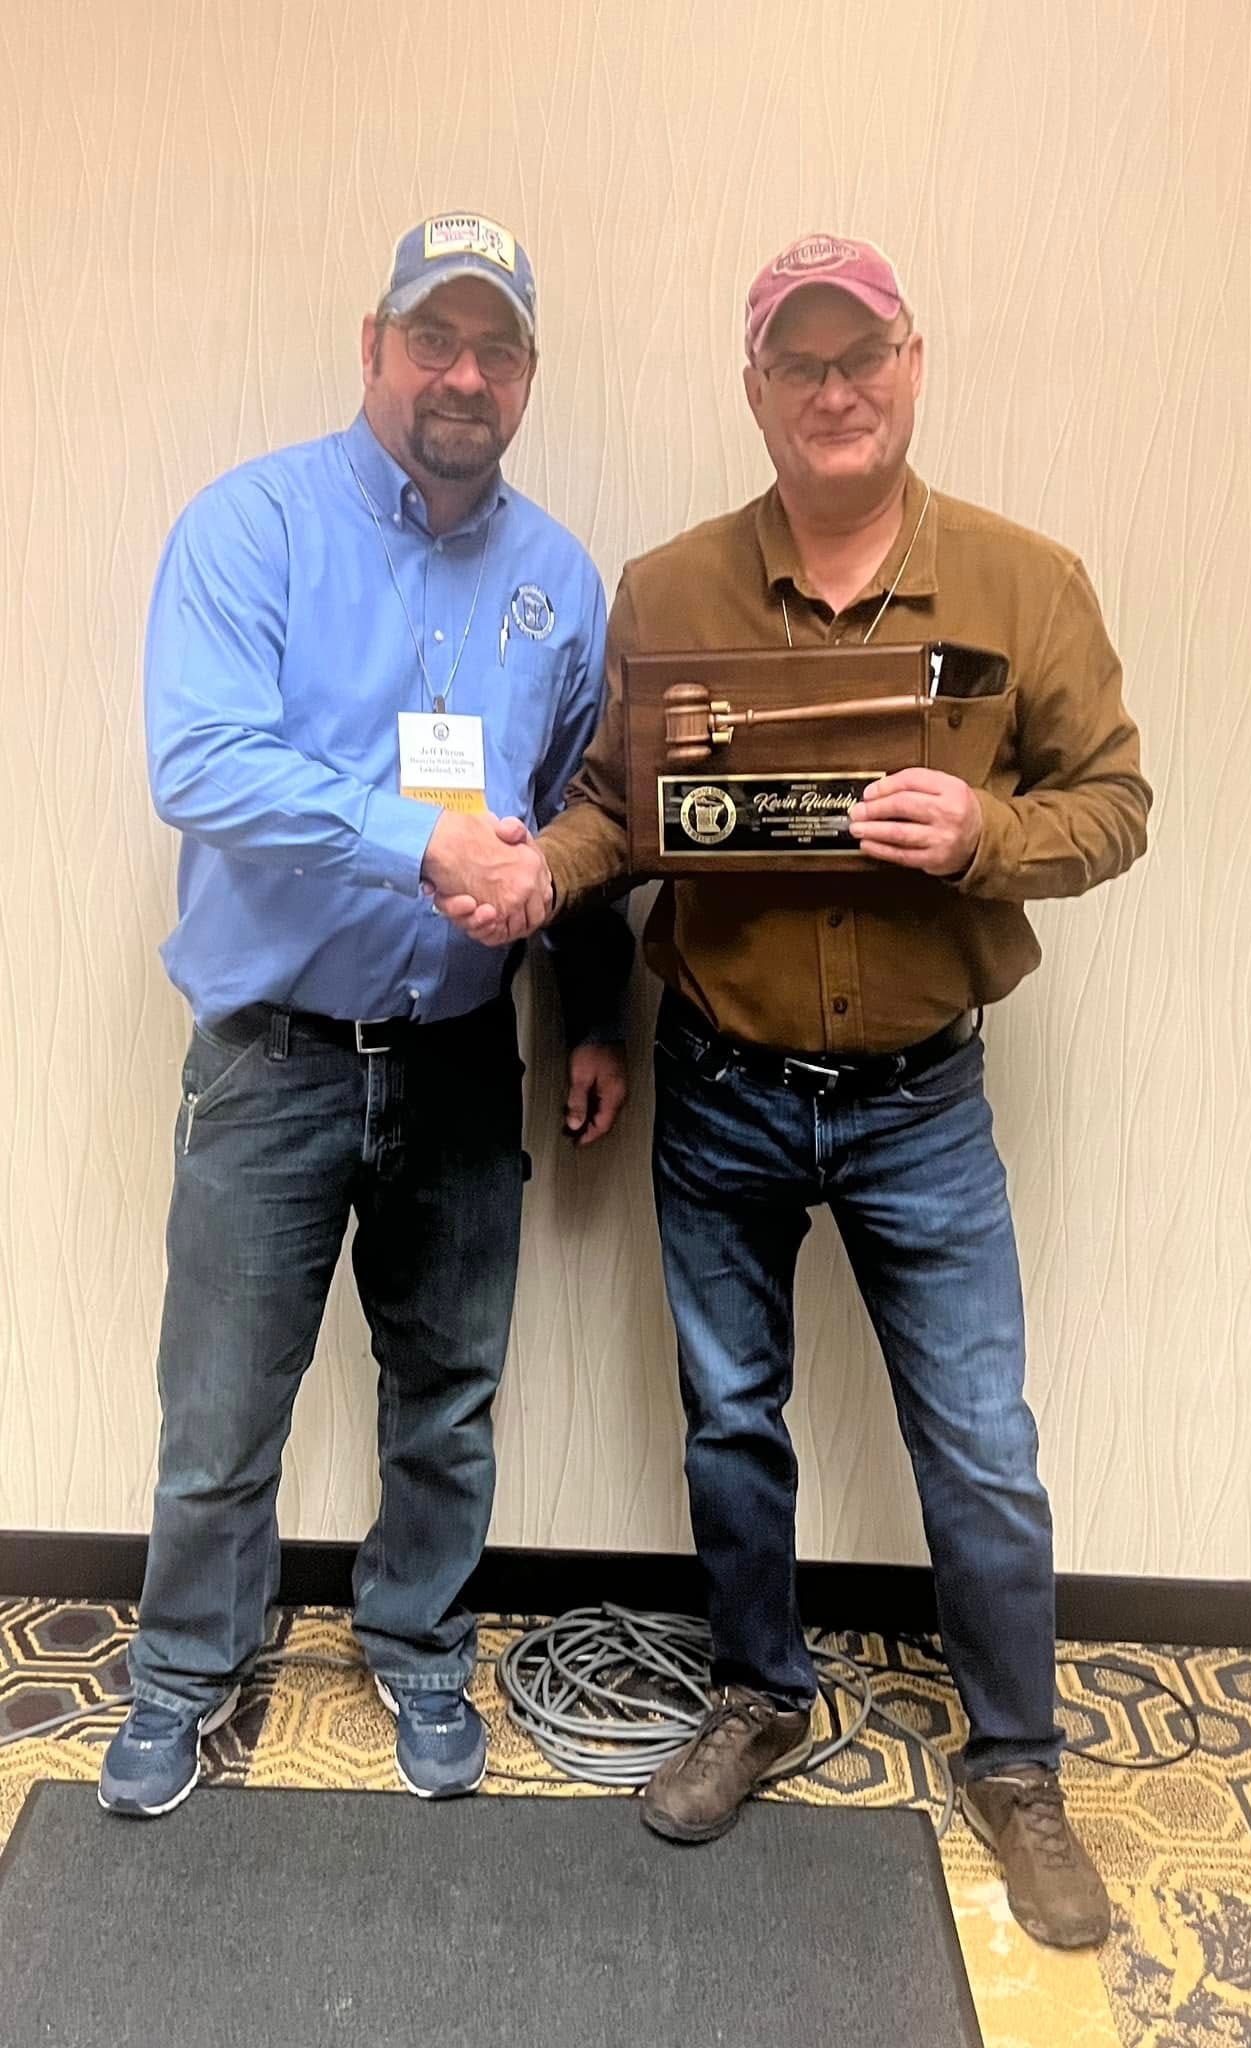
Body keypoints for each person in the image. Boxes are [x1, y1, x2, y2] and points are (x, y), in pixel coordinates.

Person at [446, 231, 1151, 1949]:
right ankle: (759, 1691)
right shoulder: (667, 589)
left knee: (977, 1445)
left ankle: (1016, 1756)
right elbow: (621, 814)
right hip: (728, 1086)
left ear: (912, 364)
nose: (833, 391)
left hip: (924, 1099)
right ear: (753, 390)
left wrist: (989, 835)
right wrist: (547, 878)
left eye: (862, 358)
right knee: (731, 1417)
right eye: (797, 365)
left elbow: (1114, 804)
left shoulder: (1026, 584)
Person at [100, 213, 630, 1819]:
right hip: (277, 1061)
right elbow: (199, 761)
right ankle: (188, 1671)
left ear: (528, 373)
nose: (464, 374)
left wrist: (594, 1014)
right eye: (434, 339)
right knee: (222, 1406)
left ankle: (416, 1645)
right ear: (373, 346)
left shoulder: (556, 579)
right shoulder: (250, 527)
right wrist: (418, 838)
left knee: (448, 1393)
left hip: (467, 1058)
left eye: (498, 347)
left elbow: (581, 813)